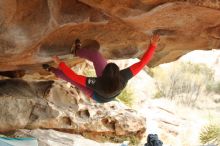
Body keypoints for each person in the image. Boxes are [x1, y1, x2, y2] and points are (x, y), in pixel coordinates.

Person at [43, 35, 160, 103]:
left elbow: (74, 76)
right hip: (109, 85)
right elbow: (143, 62)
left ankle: (53, 70)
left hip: (98, 96)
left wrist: (59, 63)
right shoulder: (124, 76)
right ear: (117, 72)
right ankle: (76, 51)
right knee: (96, 56)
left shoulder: (97, 84)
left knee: (72, 80)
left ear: (102, 74)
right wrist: (153, 45)